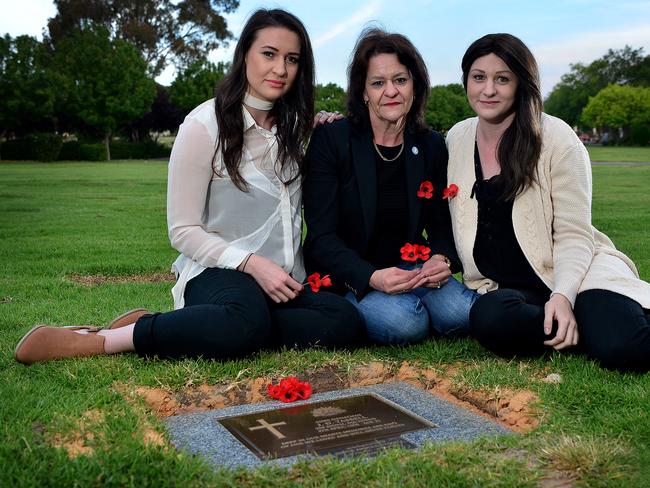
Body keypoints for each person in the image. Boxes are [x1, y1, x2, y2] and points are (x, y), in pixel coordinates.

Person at [14, 9, 364, 365]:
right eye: (269, 54)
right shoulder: (203, 125)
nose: (280, 69)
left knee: (344, 320)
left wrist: (324, 127)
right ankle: (109, 338)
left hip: (281, 282)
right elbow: (182, 230)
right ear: (245, 54)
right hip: (218, 273)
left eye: (292, 59)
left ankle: (207, 328)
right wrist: (252, 263)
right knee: (246, 317)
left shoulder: (294, 129)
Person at [446, 33, 650, 371]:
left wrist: (563, 296)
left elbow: (574, 233)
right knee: (489, 318)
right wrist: (335, 123)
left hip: (577, 275)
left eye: (502, 79)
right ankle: (579, 328)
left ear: (521, 83)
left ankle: (596, 320)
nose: (489, 90)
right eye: (478, 77)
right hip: (517, 294)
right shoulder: (456, 138)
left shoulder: (556, 137)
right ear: (466, 80)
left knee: (621, 347)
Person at [302, 29, 478, 346]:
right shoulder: (333, 139)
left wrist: (441, 259)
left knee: (462, 314)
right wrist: (371, 277)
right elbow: (321, 237)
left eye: (400, 80)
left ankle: (418, 304)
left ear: (415, 85)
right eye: (378, 83)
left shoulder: (431, 145)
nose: (391, 91)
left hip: (410, 265)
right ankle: (369, 304)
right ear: (363, 92)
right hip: (352, 272)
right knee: (406, 323)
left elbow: (440, 219)